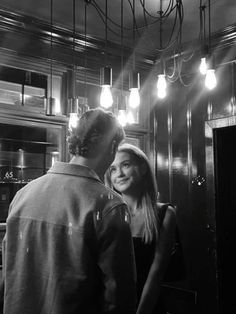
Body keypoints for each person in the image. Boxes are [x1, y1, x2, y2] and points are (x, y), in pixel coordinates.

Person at [1, 108, 136, 314]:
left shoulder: (24, 194)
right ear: (112, 147)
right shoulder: (110, 206)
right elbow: (119, 298)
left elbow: (8, 271)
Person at [105, 143, 176, 314]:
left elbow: (156, 274)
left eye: (126, 165)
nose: (119, 174)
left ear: (143, 168)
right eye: (113, 169)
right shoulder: (107, 214)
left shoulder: (164, 213)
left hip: (148, 306)